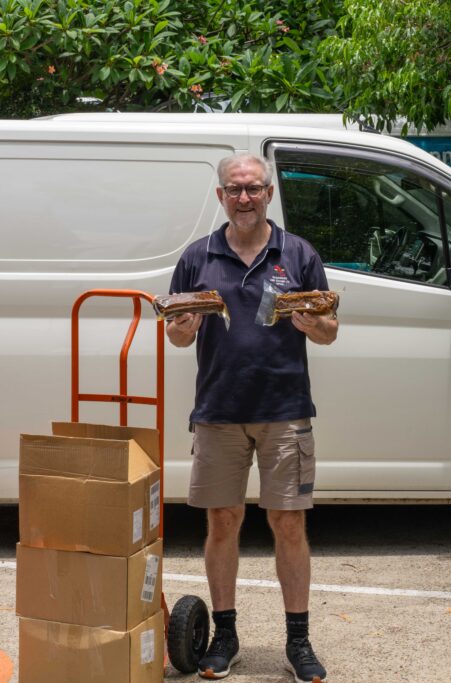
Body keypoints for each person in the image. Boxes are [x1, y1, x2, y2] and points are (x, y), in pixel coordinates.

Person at [166, 153, 338, 683]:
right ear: (220, 196)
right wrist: (184, 325)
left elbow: (330, 329)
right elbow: (175, 333)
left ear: (268, 194)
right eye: (234, 189)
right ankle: (225, 636)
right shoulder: (198, 256)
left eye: (254, 189)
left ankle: (298, 642)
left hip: (285, 411)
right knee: (223, 522)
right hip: (218, 410)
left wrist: (313, 325)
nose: (244, 198)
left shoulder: (298, 253)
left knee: (288, 523)